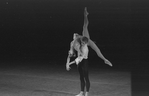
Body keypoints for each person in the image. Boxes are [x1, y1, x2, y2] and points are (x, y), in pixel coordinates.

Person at [66, 7, 112, 96]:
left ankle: (105, 60)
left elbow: (85, 24)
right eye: (83, 43)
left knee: (85, 27)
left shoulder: (86, 41)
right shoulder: (75, 42)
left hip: (86, 44)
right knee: (81, 76)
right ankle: (81, 92)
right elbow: (71, 52)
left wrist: (85, 16)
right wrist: (68, 62)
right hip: (81, 50)